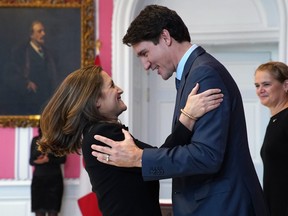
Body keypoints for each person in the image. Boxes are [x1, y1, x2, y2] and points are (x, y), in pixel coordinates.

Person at [91, 4, 269, 216]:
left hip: (223, 207)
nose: (146, 65)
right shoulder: (192, 74)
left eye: (145, 53)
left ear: (165, 37)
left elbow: (207, 155)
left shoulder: (203, 74)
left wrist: (139, 158)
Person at [37, 65, 223, 216]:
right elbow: (160, 159)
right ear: (96, 102)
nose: (120, 89)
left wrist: (187, 117)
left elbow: (153, 158)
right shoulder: (103, 134)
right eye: (111, 86)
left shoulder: (98, 133)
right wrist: (188, 116)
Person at [254, 61, 288, 216]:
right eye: (257, 85)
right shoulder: (276, 120)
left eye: (266, 84)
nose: (260, 90)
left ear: (286, 85)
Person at [2, 20, 57, 115]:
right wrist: (26, 83)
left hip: (46, 100)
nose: (43, 34)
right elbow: (11, 74)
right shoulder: (20, 52)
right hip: (28, 100)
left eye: (43, 31)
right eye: (39, 31)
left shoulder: (47, 52)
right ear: (31, 35)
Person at [29, 127, 66, 216]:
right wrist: (41, 159)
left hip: (55, 181)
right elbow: (31, 161)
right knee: (39, 212)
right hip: (39, 181)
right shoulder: (36, 140)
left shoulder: (58, 140)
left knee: (53, 212)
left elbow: (63, 160)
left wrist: (48, 160)